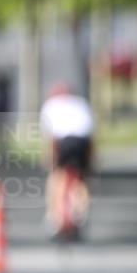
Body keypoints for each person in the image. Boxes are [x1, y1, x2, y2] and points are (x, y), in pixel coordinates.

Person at [39, 83, 95, 239]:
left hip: (63, 141)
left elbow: (51, 138)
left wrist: (50, 159)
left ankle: (53, 217)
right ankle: (81, 211)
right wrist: (90, 161)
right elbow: (91, 136)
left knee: (57, 177)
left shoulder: (51, 105)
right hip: (81, 141)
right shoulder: (81, 104)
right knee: (81, 179)